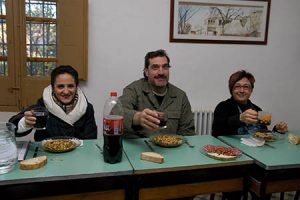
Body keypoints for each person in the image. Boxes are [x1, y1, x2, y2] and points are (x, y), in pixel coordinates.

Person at [9, 65, 97, 141]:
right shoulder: (42, 106)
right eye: (60, 86)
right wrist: (25, 122)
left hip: (78, 155)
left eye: (70, 86)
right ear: (53, 88)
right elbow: (12, 126)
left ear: (76, 87)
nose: (66, 92)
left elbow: (90, 140)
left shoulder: (87, 108)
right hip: (47, 155)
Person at [119, 49, 195, 138]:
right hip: (140, 149)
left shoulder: (180, 96)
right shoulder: (133, 89)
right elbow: (117, 113)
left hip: (170, 150)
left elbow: (188, 133)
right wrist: (138, 117)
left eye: (165, 67)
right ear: (146, 72)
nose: (161, 72)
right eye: (155, 67)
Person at [212, 69, 288, 137]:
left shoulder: (258, 109)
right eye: (237, 86)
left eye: (246, 87)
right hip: (233, 149)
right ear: (231, 90)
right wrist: (239, 118)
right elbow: (216, 133)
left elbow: (264, 134)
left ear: (251, 90)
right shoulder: (222, 106)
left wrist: (277, 129)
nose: (241, 90)